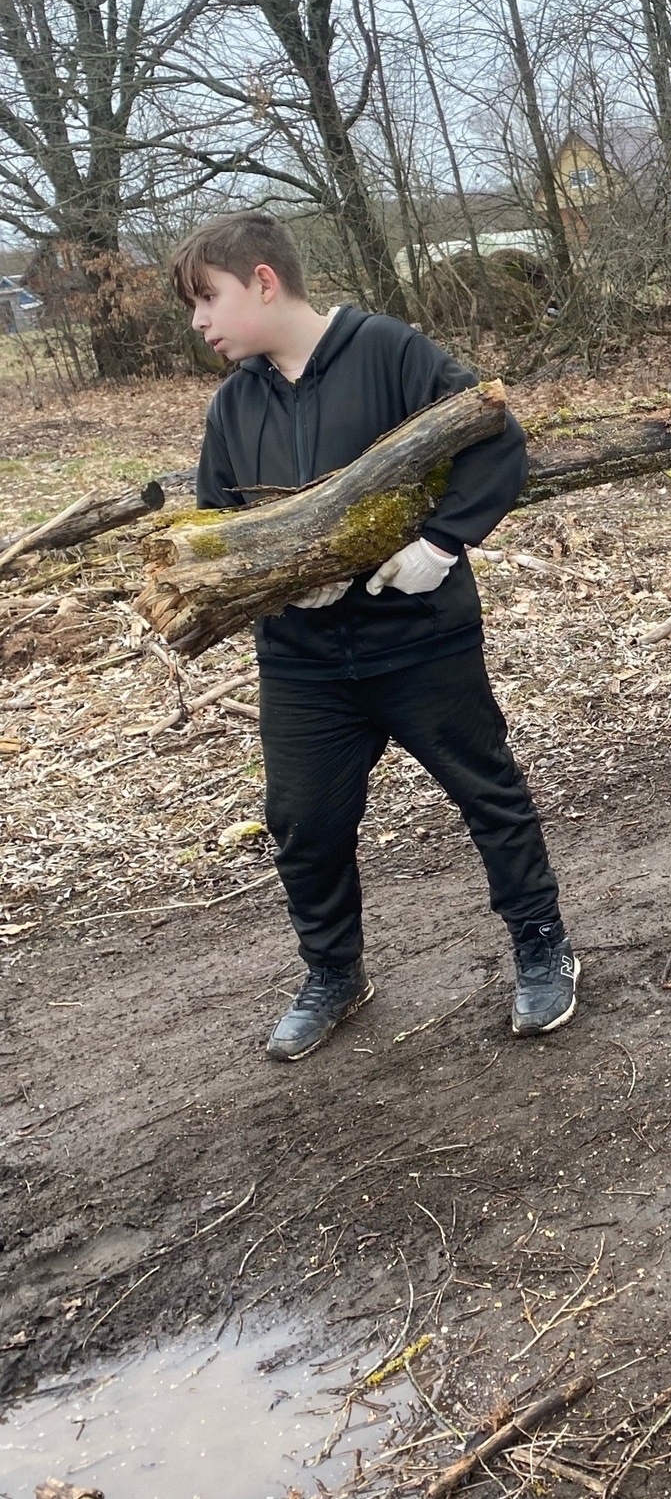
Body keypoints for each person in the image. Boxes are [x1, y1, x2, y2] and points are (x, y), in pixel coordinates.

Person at [178, 211, 578, 1059]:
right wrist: (266, 583)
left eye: (206, 300)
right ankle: (334, 973)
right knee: (301, 820)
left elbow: (495, 435)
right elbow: (215, 534)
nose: (199, 322)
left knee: (487, 795)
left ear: (262, 280)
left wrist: (442, 544)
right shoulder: (233, 406)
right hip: (303, 664)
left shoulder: (391, 352)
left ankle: (542, 946)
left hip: (418, 640)